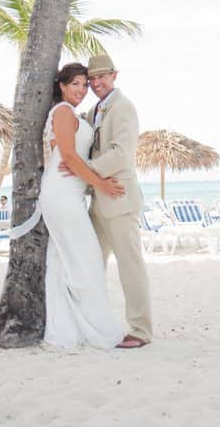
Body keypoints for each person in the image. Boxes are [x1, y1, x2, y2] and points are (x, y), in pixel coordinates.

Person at [39, 62, 126, 350]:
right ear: (62, 86)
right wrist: (102, 184)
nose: (81, 89)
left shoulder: (74, 114)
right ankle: (97, 329)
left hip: (70, 192)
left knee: (64, 261)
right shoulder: (63, 111)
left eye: (84, 84)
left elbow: (69, 154)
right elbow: (70, 158)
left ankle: (69, 329)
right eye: (74, 84)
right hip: (62, 193)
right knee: (87, 258)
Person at [83, 52, 153, 349]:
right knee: (90, 264)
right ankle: (91, 322)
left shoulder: (123, 108)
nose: (97, 82)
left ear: (114, 75)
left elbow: (121, 154)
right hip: (97, 200)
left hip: (119, 198)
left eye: (102, 76)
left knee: (130, 267)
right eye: (92, 78)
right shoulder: (93, 111)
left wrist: (82, 172)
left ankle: (140, 330)